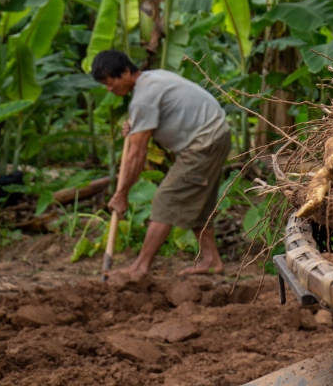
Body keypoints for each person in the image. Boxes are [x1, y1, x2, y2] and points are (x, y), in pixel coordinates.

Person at [92, 50, 233, 278]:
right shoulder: (153, 79)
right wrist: (136, 125)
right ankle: (211, 260)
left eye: (111, 82)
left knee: (166, 199)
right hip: (215, 135)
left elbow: (137, 153)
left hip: (203, 143)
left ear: (126, 71)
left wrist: (122, 194)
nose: (109, 89)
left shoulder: (143, 98)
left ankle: (140, 267)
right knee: (200, 201)